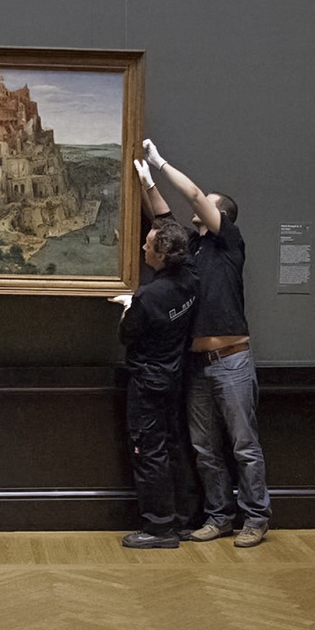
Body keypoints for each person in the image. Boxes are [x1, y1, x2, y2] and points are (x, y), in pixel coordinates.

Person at [143, 138, 273, 547]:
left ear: (221, 215)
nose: (197, 207)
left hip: (232, 361)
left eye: (207, 206)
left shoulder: (230, 243)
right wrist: (148, 184)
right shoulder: (194, 248)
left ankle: (256, 518)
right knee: (204, 448)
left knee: (243, 446)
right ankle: (220, 517)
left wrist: (161, 163)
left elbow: (196, 194)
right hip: (198, 365)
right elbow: (164, 221)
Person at [113, 159, 198, 548]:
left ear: (161, 257)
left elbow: (126, 335)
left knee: (148, 452)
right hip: (173, 377)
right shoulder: (190, 275)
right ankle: (179, 520)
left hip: (148, 383)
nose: (144, 246)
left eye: (147, 245)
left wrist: (129, 307)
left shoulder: (148, 296)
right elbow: (168, 223)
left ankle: (158, 528)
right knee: (172, 447)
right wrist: (149, 186)